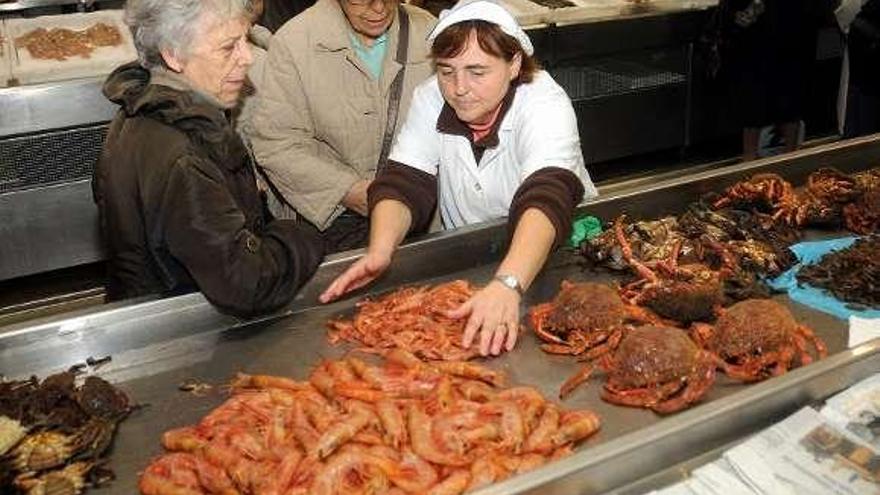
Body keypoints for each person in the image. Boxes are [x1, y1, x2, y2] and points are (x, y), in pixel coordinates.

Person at [320, 0, 598, 356]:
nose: (459, 88)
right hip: (480, 259)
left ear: (513, 65)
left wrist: (508, 283)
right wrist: (381, 249)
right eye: (447, 71)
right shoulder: (431, 97)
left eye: (477, 72)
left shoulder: (544, 103)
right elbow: (404, 181)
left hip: (556, 253)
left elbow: (548, 194)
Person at [93, 0, 324, 317]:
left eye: (245, 41)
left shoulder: (139, 109)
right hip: (181, 335)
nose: (247, 58)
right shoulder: (182, 155)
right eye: (229, 47)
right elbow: (247, 283)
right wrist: (307, 236)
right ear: (173, 55)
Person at [246, 0, 437, 253]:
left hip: (421, 222)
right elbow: (276, 141)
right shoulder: (296, 42)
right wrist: (350, 192)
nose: (379, 8)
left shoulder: (428, 32)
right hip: (337, 228)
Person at [720, 0, 831, 161]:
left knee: (762, 106)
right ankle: (783, 160)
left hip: (773, 45)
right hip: (778, 44)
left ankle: (758, 164)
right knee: (778, 105)